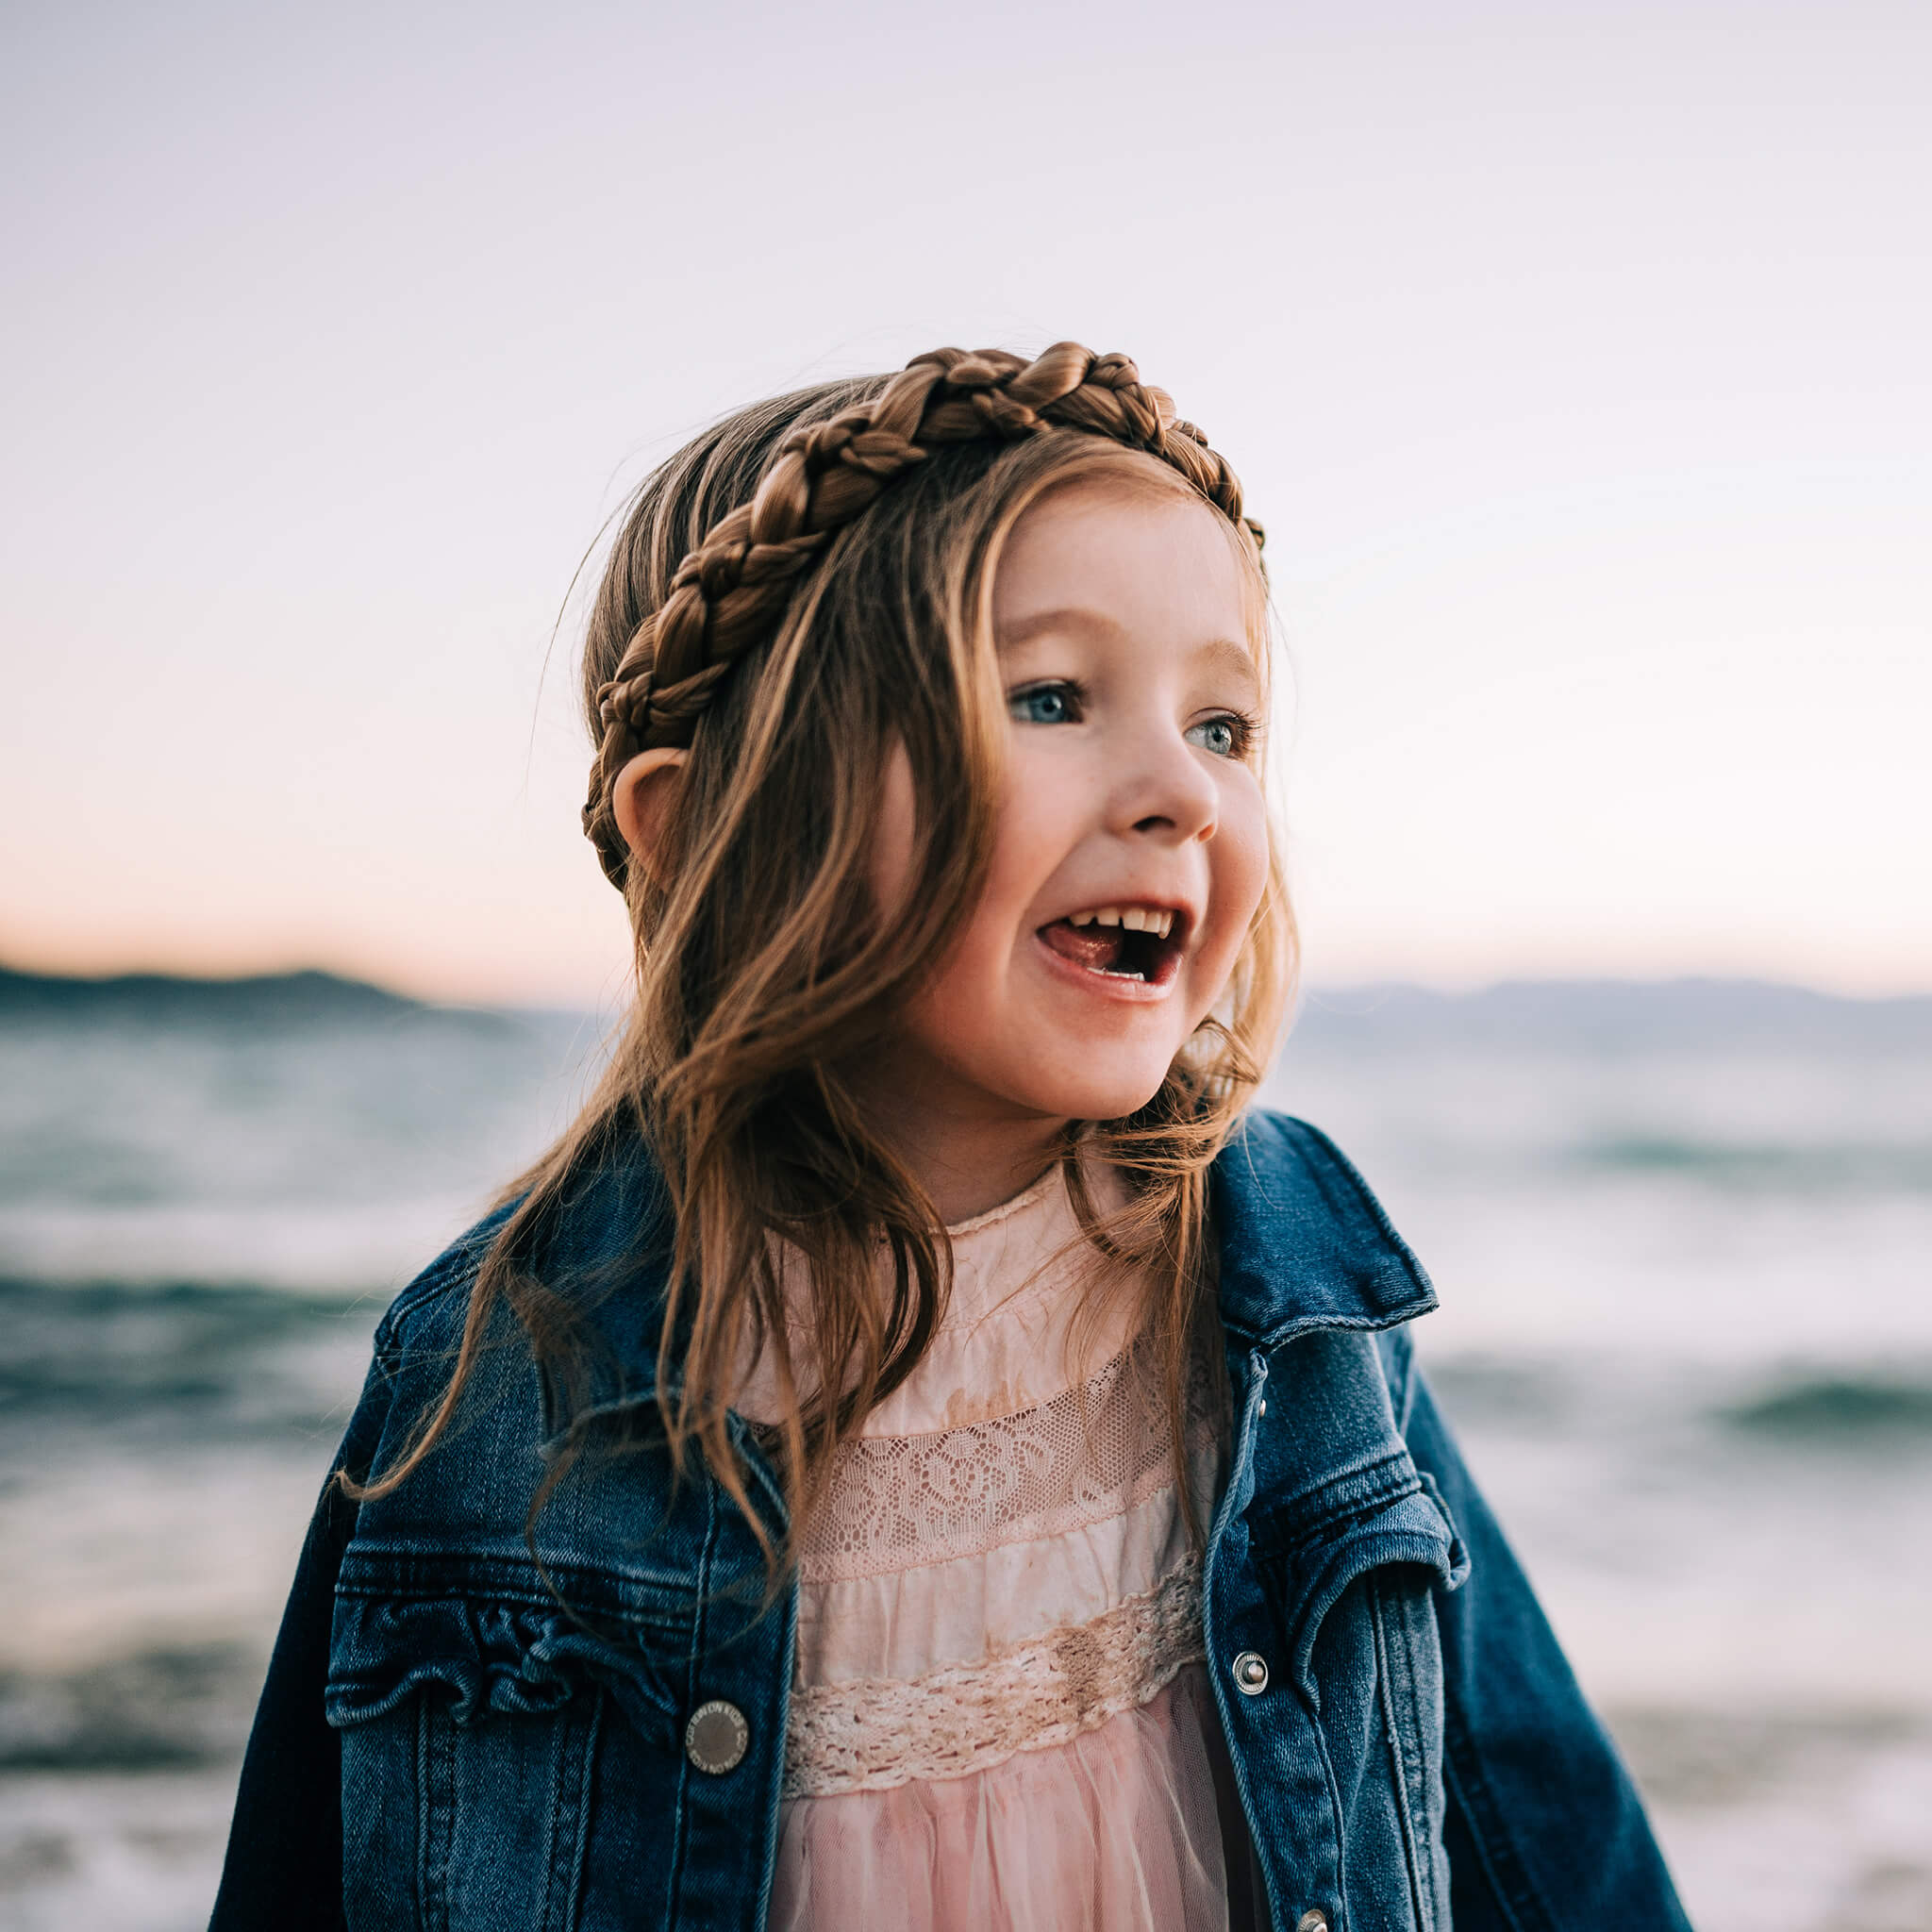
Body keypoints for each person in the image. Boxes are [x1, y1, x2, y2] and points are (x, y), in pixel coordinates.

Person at [211, 343, 1691, 1931]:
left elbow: (1539, 1830)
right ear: (707, 824)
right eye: (1051, 696)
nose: (1179, 792)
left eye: (1226, 726)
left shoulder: (1293, 1289)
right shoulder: (496, 1378)